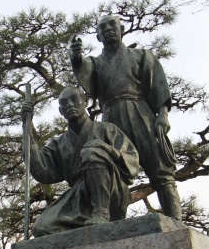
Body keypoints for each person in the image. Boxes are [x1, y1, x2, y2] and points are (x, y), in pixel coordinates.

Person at [69, 15, 182, 220]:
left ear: (122, 29)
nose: (108, 29)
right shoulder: (96, 63)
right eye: (102, 28)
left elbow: (158, 86)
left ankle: (177, 223)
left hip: (141, 113)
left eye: (113, 25)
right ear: (98, 36)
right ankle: (112, 221)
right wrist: (76, 59)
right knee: (111, 172)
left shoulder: (141, 56)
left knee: (161, 172)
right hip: (111, 120)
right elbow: (86, 74)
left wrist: (163, 115)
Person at [21, 86, 139, 237]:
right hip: (79, 198)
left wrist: (106, 150)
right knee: (41, 228)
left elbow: (132, 160)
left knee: (90, 151)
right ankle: (82, 241)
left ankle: (101, 212)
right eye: (64, 103)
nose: (70, 104)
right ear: (60, 111)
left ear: (85, 102)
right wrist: (27, 126)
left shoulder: (107, 129)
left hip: (111, 190)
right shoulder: (59, 143)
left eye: (75, 99)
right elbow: (40, 168)